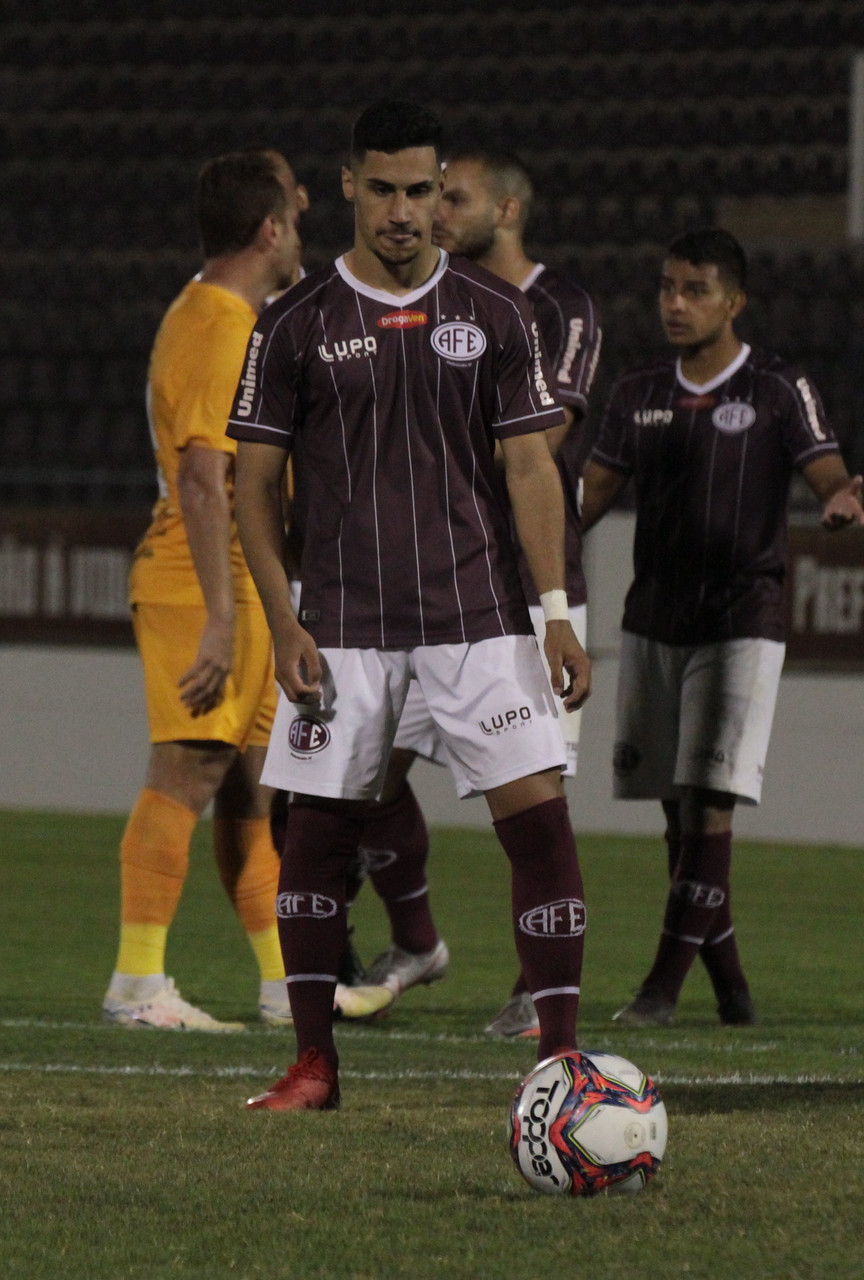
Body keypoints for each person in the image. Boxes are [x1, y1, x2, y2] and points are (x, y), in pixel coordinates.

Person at [230, 100, 594, 1110]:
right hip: (342, 631)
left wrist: (554, 610)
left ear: (442, 193)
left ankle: (556, 1062)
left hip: (479, 624)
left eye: (420, 191)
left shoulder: (494, 312)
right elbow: (250, 486)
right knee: (310, 841)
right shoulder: (292, 322)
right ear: (347, 184)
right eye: (382, 189)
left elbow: (529, 467)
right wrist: (281, 619)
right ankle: (312, 1064)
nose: (401, 211)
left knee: (542, 828)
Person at [106, 148, 388, 1030]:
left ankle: (287, 985)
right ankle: (137, 982)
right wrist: (223, 619)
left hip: (240, 580)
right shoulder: (216, 325)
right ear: (269, 231)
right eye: (294, 221)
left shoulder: (234, 319)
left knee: (254, 789)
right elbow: (201, 475)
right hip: (200, 579)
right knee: (188, 770)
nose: (300, 235)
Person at [344, 149, 606, 1041]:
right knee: (370, 773)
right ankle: (415, 941)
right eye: (425, 193)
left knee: (528, 800)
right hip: (419, 586)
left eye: (451, 196)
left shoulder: (556, 307)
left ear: (507, 208)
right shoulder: (420, 301)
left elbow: (535, 439)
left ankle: (544, 989)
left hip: (521, 584)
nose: (433, 210)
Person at [577, 228, 864, 1027]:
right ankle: (733, 990)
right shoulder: (638, 391)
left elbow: (826, 465)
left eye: (695, 289)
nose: (675, 303)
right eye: (667, 287)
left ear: (734, 302)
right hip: (653, 616)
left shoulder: (777, 386)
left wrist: (838, 498)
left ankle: (659, 991)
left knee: (710, 801)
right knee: (676, 811)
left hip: (743, 615)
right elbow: (588, 497)